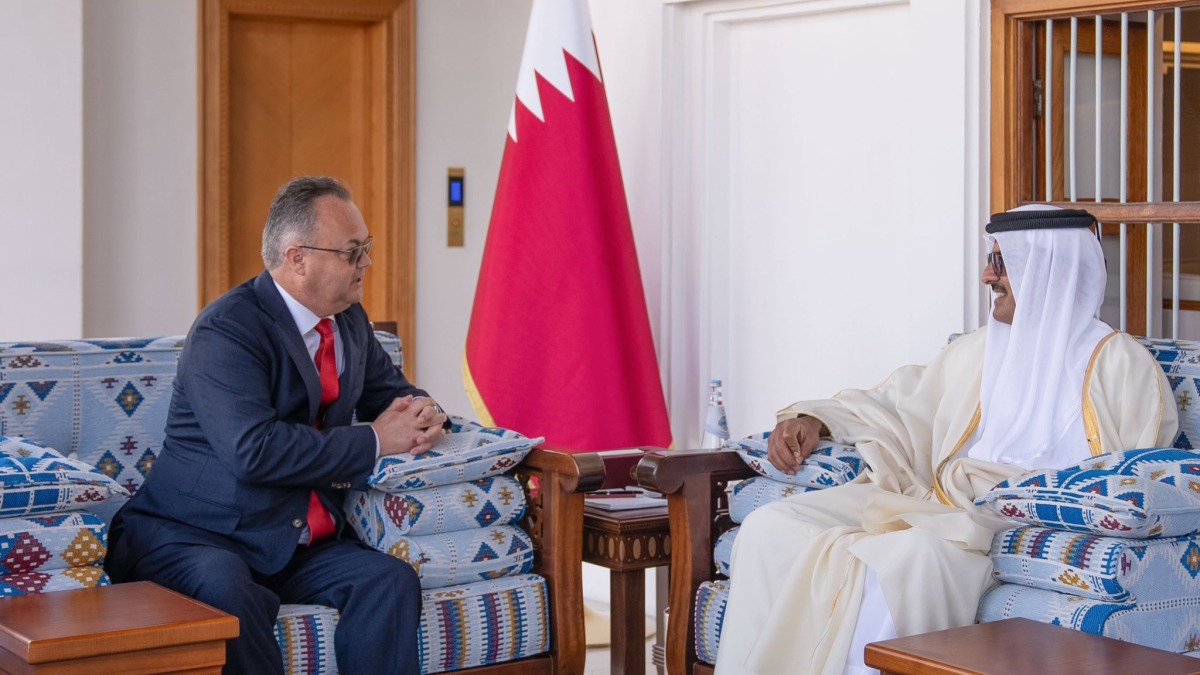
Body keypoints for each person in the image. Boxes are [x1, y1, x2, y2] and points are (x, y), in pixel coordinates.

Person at [713, 205, 1179, 675]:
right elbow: (899, 402)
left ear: (1047, 267)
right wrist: (814, 419)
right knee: (772, 526)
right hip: (932, 499)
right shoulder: (980, 348)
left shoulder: (1120, 363)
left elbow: (1132, 469)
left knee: (903, 561)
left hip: (997, 521)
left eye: (1001, 262)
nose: (987, 276)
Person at [106, 176, 449, 674]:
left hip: (292, 540)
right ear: (297, 258)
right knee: (225, 586)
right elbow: (255, 450)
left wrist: (425, 414)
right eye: (352, 251)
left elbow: (393, 394)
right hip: (194, 534)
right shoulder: (227, 329)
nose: (367, 263)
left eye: (366, 247)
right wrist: (377, 439)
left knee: (388, 581)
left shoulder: (350, 320)